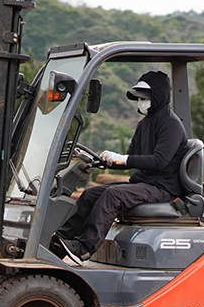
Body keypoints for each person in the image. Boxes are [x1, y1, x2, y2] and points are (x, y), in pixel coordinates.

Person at [51, 69, 189, 263]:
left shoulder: (171, 124)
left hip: (162, 188)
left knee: (113, 195)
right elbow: (130, 158)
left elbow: (159, 161)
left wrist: (123, 159)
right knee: (90, 194)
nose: (140, 102)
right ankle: (58, 243)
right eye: (139, 98)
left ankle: (84, 247)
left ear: (158, 96)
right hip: (144, 184)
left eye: (144, 98)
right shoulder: (144, 125)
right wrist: (102, 161)